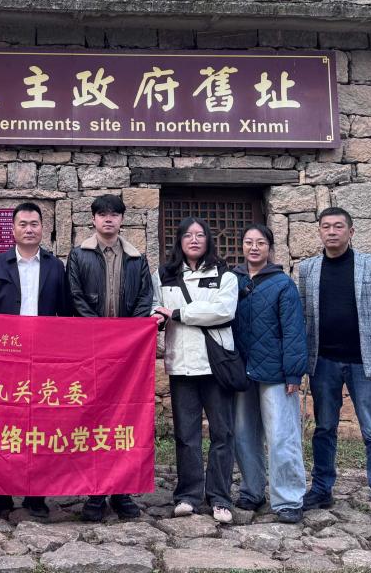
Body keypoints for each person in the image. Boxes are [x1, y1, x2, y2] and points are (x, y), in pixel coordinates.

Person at [298, 206, 371, 530]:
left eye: (338, 226)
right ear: (319, 231)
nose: (332, 231)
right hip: (323, 362)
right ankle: (321, 489)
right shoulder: (308, 269)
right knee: (324, 428)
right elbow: (304, 313)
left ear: (351, 231)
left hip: (363, 363)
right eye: (326, 226)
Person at [0, 201, 69, 519]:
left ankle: (36, 493)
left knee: (40, 424)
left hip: (43, 358)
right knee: (1, 423)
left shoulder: (56, 267)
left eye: (34, 224)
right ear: (13, 229)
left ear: (43, 228)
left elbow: (66, 315)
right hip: (5, 358)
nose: (29, 229)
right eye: (23, 224)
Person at [65, 193, 153, 522]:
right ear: (94, 219)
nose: (108, 219)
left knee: (125, 420)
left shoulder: (136, 259)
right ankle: (95, 492)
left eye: (114, 214)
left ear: (121, 219)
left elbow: (144, 299)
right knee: (94, 420)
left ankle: (122, 491)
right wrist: (100, 335)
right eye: (102, 214)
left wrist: (127, 337)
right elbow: (74, 298)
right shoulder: (79, 256)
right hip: (91, 351)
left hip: (127, 355)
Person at [152, 217, 239, 524]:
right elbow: (155, 305)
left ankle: (220, 497)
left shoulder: (225, 274)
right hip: (182, 364)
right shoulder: (164, 274)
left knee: (222, 433)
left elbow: (223, 311)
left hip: (216, 365)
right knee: (186, 435)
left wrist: (178, 313)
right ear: (179, 240)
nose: (194, 239)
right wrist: (158, 317)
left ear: (208, 240)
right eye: (188, 235)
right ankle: (187, 495)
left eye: (200, 235)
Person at [231, 223, 307, 524]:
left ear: (269, 248)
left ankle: (288, 498)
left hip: (275, 372)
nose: (254, 247)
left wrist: (293, 374)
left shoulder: (282, 284)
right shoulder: (232, 280)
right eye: (249, 242)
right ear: (242, 246)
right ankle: (252, 490)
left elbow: (293, 330)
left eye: (260, 243)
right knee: (243, 434)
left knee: (281, 435)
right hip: (241, 369)